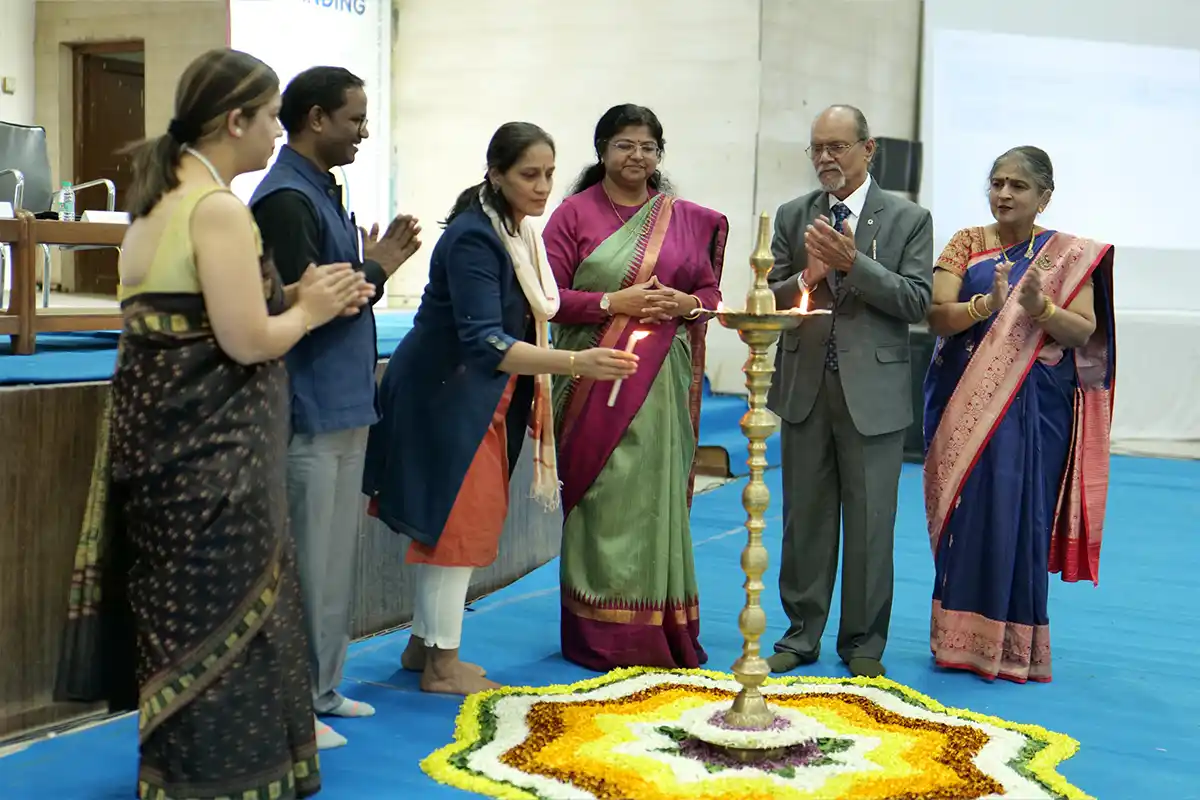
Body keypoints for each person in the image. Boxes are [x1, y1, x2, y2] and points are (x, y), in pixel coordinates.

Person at [54, 48, 376, 799]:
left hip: (164, 452)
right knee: (231, 622)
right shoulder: (217, 209)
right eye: (268, 118)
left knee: (181, 621)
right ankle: (222, 780)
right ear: (236, 120)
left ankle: (181, 774)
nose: (275, 132)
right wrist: (308, 308)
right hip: (213, 460)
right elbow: (246, 340)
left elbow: (191, 321)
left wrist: (291, 293)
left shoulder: (160, 201)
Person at [363, 122, 639, 696]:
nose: (542, 187)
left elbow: (547, 308)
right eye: (528, 175)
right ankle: (441, 665)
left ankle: (422, 647)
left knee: (459, 526)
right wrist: (574, 364)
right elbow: (482, 339)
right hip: (446, 396)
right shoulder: (474, 237)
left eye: (548, 175)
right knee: (456, 531)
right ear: (495, 174)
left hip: (481, 394)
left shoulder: (516, 231)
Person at [249, 65, 420, 750]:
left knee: (332, 565)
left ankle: (321, 689)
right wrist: (375, 267)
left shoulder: (320, 190)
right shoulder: (285, 201)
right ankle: (293, 703)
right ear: (316, 118)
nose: (364, 131)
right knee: (307, 566)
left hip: (345, 400)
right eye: (354, 119)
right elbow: (301, 305)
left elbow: (337, 293)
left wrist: (368, 268)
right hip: (309, 405)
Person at [923, 146, 1115, 684]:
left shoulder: (1067, 255)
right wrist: (985, 306)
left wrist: (1041, 309)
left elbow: (1082, 331)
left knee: (1019, 513)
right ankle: (957, 641)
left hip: (1035, 407)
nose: (1004, 194)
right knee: (968, 511)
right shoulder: (965, 242)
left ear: (1044, 197)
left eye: (1018, 186)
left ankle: (1012, 646)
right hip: (963, 400)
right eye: (997, 182)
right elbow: (938, 316)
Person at [543, 104, 725, 671]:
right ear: (602, 151)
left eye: (647, 146)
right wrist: (610, 303)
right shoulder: (572, 216)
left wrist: (686, 303)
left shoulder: (685, 219)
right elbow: (547, 299)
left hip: (660, 385)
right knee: (602, 498)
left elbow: (711, 296)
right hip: (591, 380)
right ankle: (600, 633)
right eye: (624, 144)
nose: (636, 156)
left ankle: (656, 630)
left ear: (659, 154)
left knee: (655, 499)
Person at [765, 104, 933, 679]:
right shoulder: (793, 216)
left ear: (869, 150)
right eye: (817, 148)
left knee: (870, 523)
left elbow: (916, 302)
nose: (824, 159)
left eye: (837, 147)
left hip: (875, 393)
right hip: (804, 388)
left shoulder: (908, 218)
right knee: (803, 519)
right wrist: (810, 275)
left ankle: (863, 644)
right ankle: (799, 633)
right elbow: (773, 302)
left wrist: (854, 263)